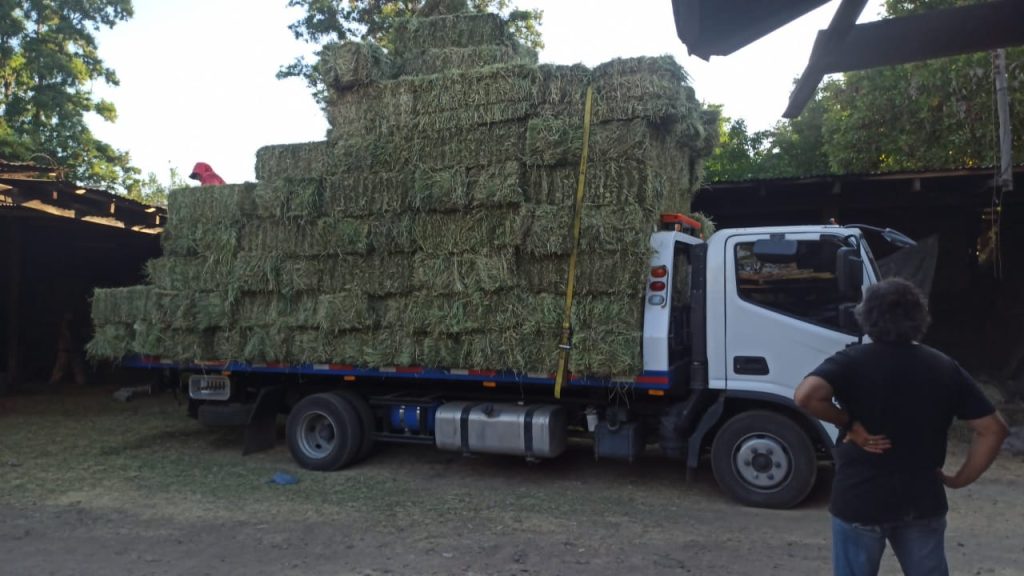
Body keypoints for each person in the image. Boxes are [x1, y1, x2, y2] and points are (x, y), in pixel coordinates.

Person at [794, 278, 1008, 576]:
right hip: (921, 500)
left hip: (860, 499)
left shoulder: (850, 361)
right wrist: (960, 479)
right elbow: (993, 429)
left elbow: (806, 396)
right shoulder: (943, 366)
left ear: (866, 317)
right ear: (920, 318)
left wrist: (849, 423)